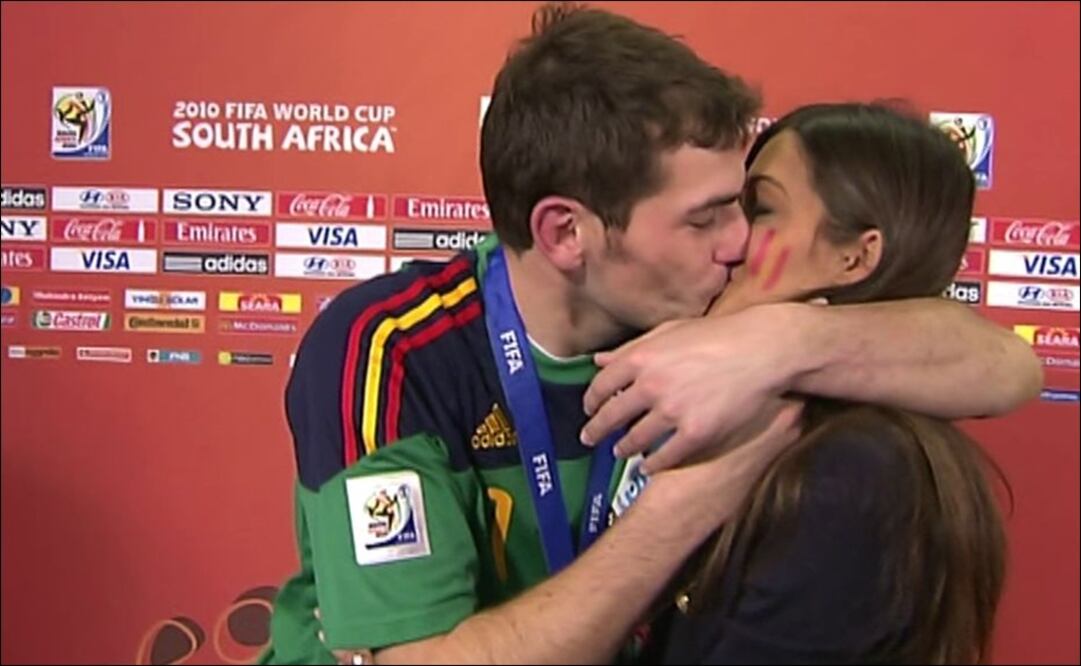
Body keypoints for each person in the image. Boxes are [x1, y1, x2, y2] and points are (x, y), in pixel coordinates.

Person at [262, 4, 1039, 664]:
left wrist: (782, 343)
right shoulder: (392, 348)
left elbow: (1003, 365)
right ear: (566, 233)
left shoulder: (710, 312)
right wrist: (692, 497)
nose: (736, 242)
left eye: (746, 205)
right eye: (705, 218)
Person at [632, 102, 1009, 664]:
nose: (730, 238)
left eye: (759, 210)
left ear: (855, 257)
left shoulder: (855, 473)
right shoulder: (778, 423)